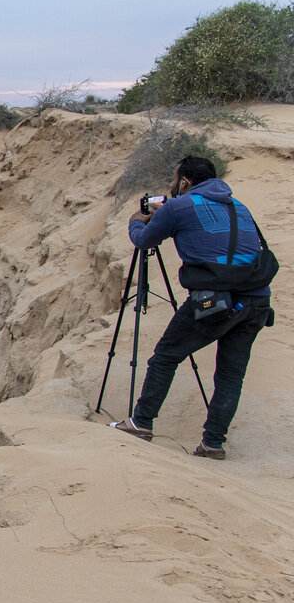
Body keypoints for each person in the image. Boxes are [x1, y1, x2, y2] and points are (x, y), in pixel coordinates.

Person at [110, 156, 274, 459]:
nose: (172, 186)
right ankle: (213, 444)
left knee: (166, 356)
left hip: (215, 300)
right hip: (257, 300)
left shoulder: (177, 206)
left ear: (185, 181)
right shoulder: (239, 206)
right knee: (230, 375)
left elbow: (145, 242)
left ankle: (141, 423)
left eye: (175, 180)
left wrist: (136, 219)